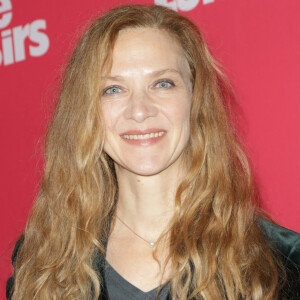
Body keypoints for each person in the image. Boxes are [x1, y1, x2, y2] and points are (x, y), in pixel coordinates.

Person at [6, 4, 300, 300]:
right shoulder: (42, 263)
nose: (139, 110)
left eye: (162, 84)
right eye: (113, 89)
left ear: (196, 100)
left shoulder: (283, 262)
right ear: (86, 111)